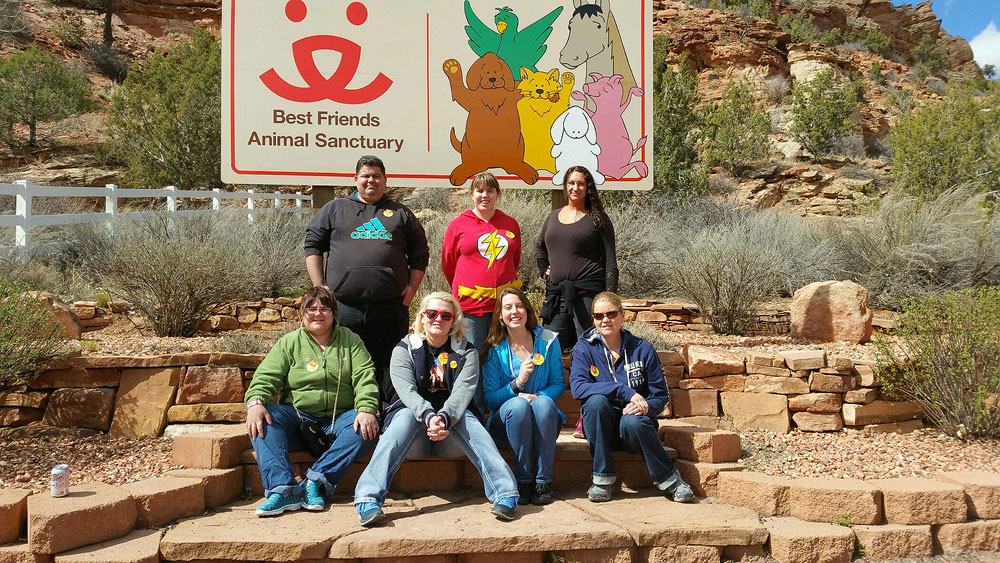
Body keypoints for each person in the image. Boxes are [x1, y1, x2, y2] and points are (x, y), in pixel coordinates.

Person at [353, 292, 519, 526]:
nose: (438, 318)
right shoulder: (403, 349)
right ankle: (368, 499)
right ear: (422, 317)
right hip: (413, 439)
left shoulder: (467, 352)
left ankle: (505, 494)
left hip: (451, 438)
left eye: (445, 315)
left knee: (465, 417)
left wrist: (443, 417)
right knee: (406, 415)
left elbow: (463, 392)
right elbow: (407, 391)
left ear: (454, 321)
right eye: (432, 313)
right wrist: (429, 416)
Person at [304, 155, 430, 410]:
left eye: (376, 176)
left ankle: (390, 415)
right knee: (345, 361)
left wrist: (410, 292)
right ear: (355, 179)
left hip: (390, 307)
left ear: (385, 180)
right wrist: (320, 288)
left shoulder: (401, 213)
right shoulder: (335, 209)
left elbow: (420, 255)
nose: (371, 180)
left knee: (390, 364)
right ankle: (350, 415)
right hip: (344, 306)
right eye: (366, 176)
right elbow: (312, 246)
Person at [244, 287, 380, 517]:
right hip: (298, 420)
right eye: (311, 309)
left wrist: (366, 408)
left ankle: (314, 481)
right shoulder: (289, 343)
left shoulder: (351, 341)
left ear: (334, 313)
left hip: (340, 419)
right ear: (302, 314)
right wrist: (255, 402)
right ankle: (283, 490)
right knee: (263, 418)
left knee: (367, 429)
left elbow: (365, 377)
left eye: (324, 309)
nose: (317, 314)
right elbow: (266, 377)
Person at [569, 291, 695, 504]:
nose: (605, 320)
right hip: (601, 429)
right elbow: (579, 388)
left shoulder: (642, 349)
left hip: (634, 430)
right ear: (593, 319)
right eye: (599, 316)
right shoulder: (584, 348)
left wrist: (646, 407)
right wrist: (623, 391)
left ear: (622, 315)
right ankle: (602, 480)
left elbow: (660, 395)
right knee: (596, 403)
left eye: (611, 314)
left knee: (632, 421)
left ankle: (671, 480)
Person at [534, 165, 617, 438]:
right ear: (565, 186)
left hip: (588, 297)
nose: (575, 188)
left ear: (588, 187)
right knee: (547, 352)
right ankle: (544, 412)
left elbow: (610, 263)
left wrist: (609, 301)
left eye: (581, 183)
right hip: (558, 297)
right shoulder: (553, 217)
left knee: (591, 354)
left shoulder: (598, 219)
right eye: (571, 183)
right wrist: (544, 269)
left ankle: (587, 416)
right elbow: (539, 248)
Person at [482, 287, 564, 505]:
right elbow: (490, 399)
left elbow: (558, 384)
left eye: (519, 306)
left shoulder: (548, 341)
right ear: (500, 315)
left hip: (543, 421)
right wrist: (517, 384)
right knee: (518, 406)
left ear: (527, 310)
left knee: (544, 403)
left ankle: (543, 482)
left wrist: (537, 396)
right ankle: (524, 480)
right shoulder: (494, 349)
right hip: (507, 425)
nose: (514, 312)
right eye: (508, 307)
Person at [442, 171, 522, 352]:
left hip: (505, 307)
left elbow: (514, 260)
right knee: (472, 356)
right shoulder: (458, 225)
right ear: (472, 194)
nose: (485, 195)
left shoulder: (510, 223)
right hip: (471, 306)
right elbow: (448, 264)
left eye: (490, 191)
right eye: (480, 191)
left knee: (504, 356)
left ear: (497, 194)